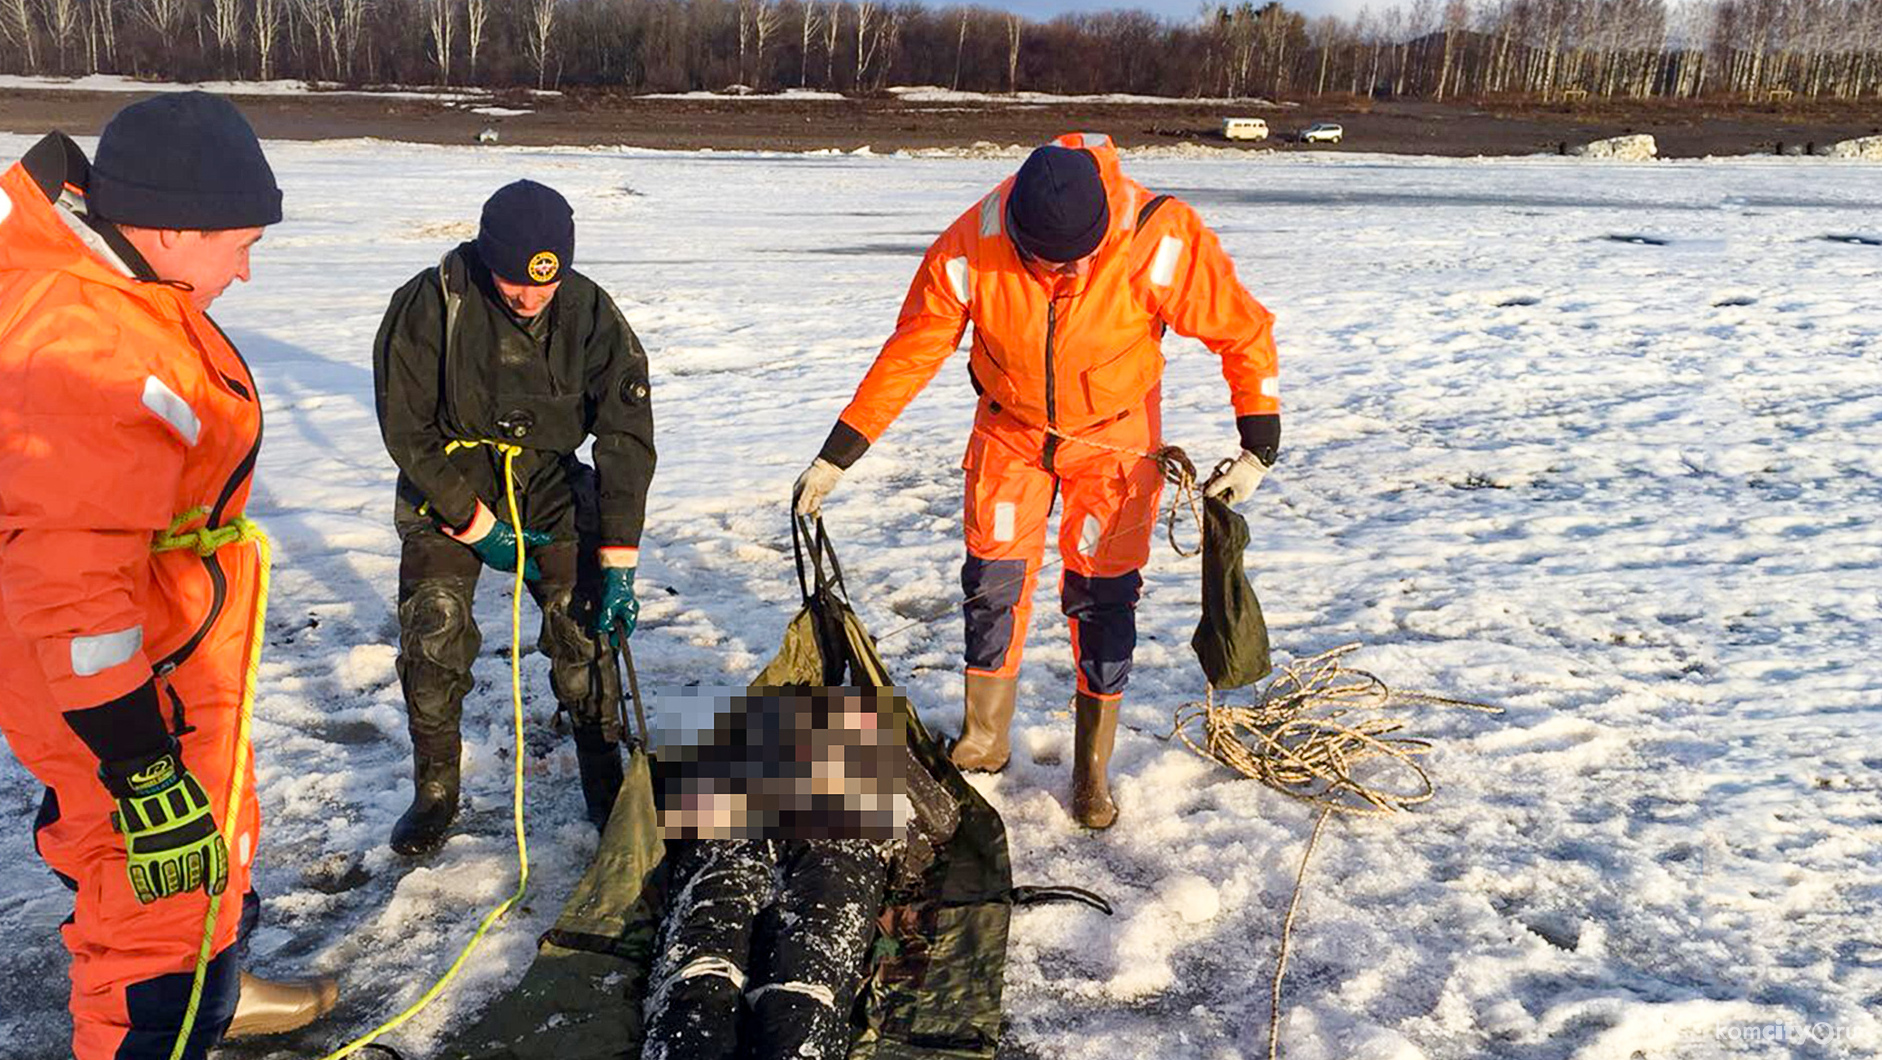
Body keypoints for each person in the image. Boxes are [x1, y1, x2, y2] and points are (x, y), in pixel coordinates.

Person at [793, 132, 1281, 830]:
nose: (1055, 272)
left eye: (1071, 262)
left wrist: (1257, 443)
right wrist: (840, 452)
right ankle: (985, 740)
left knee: (1104, 596)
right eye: (1039, 260)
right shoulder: (974, 241)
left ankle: (1091, 768)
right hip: (1009, 432)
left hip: (1114, 441)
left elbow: (1244, 331)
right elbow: (913, 348)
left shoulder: (1158, 236)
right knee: (991, 584)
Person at [0, 92, 336, 1060]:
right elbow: (72, 591)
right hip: (122, 692)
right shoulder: (85, 345)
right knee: (150, 892)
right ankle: (164, 1020)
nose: (243, 267)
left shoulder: (122, 292)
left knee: (211, 842)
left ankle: (216, 984)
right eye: (239, 243)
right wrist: (140, 762)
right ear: (172, 224)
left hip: (167, 654)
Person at [373, 179, 657, 854]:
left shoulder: (590, 312)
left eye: (546, 281)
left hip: (550, 480)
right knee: (434, 625)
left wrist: (618, 560)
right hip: (448, 475)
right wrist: (476, 526)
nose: (530, 298)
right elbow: (405, 429)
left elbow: (625, 437)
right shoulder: (429, 302)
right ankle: (435, 789)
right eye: (513, 281)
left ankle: (601, 777)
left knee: (581, 625)